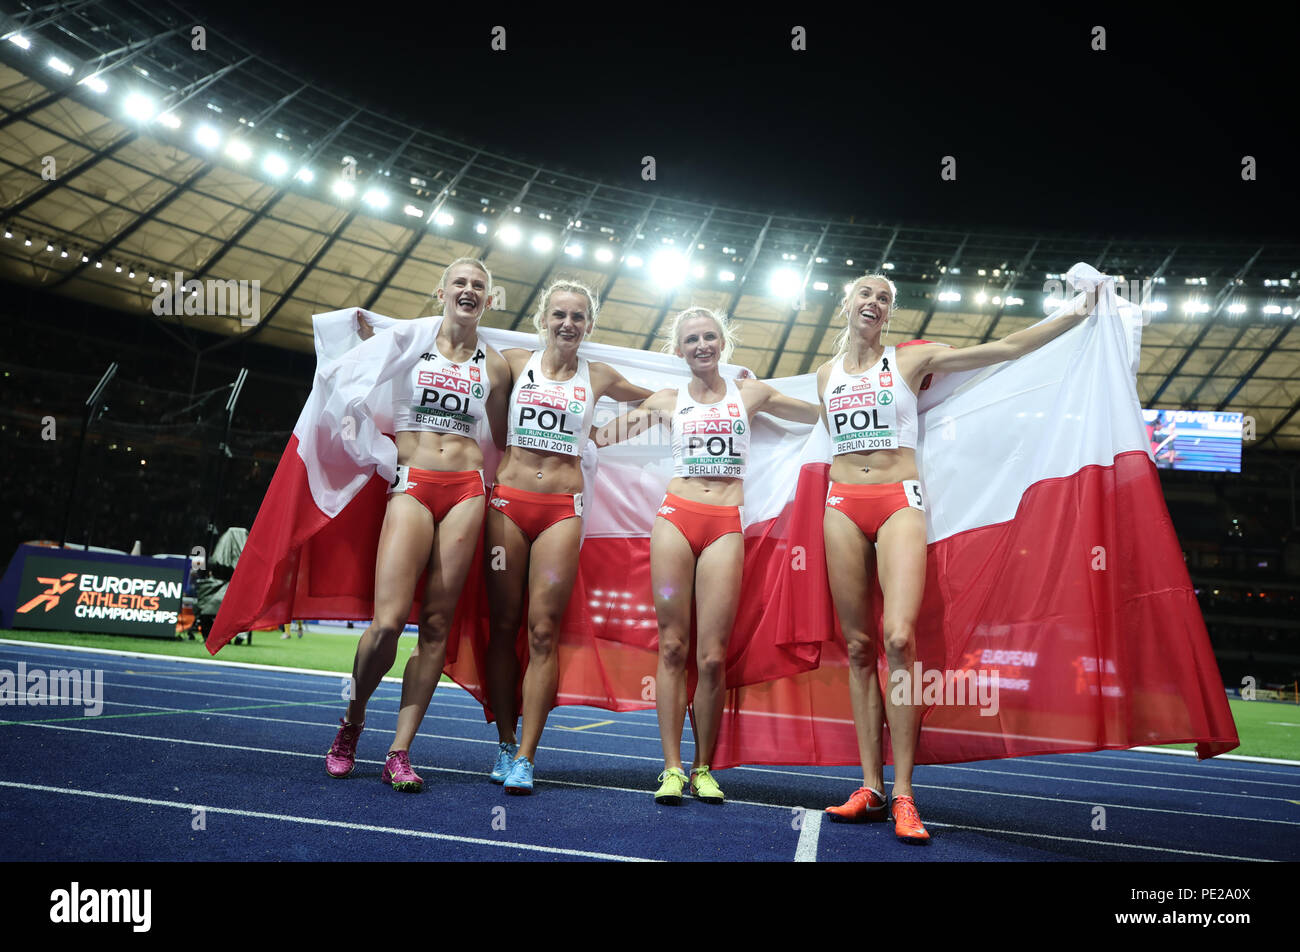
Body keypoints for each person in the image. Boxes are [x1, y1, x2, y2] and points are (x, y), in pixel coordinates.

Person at [817, 273, 1096, 842]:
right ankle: (869, 786)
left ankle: (904, 793)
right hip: (841, 504)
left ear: (889, 316)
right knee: (858, 645)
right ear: (846, 304)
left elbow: (1005, 349)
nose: (874, 302)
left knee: (898, 637)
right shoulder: (825, 376)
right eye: (865, 294)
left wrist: (1076, 314)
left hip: (899, 501)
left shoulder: (914, 359)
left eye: (884, 298)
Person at [595, 307, 819, 804]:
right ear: (679, 350)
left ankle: (704, 768)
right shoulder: (668, 400)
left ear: (723, 343)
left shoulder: (751, 393)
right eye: (691, 339)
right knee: (673, 648)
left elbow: (820, 414)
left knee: (713, 657)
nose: (701, 344)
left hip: (724, 526)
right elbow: (603, 437)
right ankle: (672, 767)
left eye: (709, 337)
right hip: (675, 520)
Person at [324, 258, 510, 791]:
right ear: (441, 292)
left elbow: (503, 437)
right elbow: (351, 370)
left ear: (489, 301)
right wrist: (362, 333)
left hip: (467, 490)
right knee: (386, 625)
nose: (469, 290)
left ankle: (399, 751)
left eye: (480, 285)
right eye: (461, 283)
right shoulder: (405, 342)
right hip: (413, 483)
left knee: (435, 626)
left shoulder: (496, 366)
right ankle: (351, 723)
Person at [483, 280, 652, 794]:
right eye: (560, 314)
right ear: (543, 318)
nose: (568, 324)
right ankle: (506, 742)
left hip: (562, 510)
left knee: (541, 632)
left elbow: (666, 399)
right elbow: (453, 349)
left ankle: (529, 756)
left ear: (589, 325)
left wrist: (608, 435)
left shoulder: (597, 375)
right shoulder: (512, 362)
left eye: (578, 317)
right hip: (507, 506)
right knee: (504, 624)